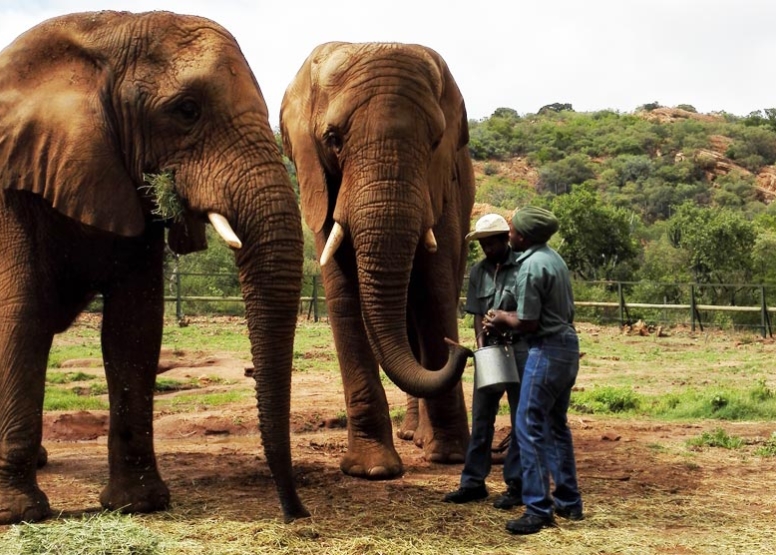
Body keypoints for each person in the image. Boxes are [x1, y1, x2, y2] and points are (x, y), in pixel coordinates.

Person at [483, 206, 583, 535]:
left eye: (512, 230)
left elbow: (528, 322)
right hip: (568, 348)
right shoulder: (554, 259)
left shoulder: (529, 268)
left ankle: (538, 509)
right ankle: (569, 501)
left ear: (522, 237)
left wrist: (499, 318)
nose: (508, 234)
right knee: (556, 426)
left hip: (547, 349)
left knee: (528, 425)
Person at [442, 213, 527, 510]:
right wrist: (480, 346)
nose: (487, 249)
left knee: (520, 419)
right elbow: (477, 313)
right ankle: (473, 482)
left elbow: (528, 314)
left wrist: (506, 324)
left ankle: (516, 484)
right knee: (481, 418)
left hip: (520, 350)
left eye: (492, 242)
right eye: (483, 244)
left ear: (505, 239)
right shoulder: (478, 272)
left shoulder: (524, 268)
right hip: (489, 351)